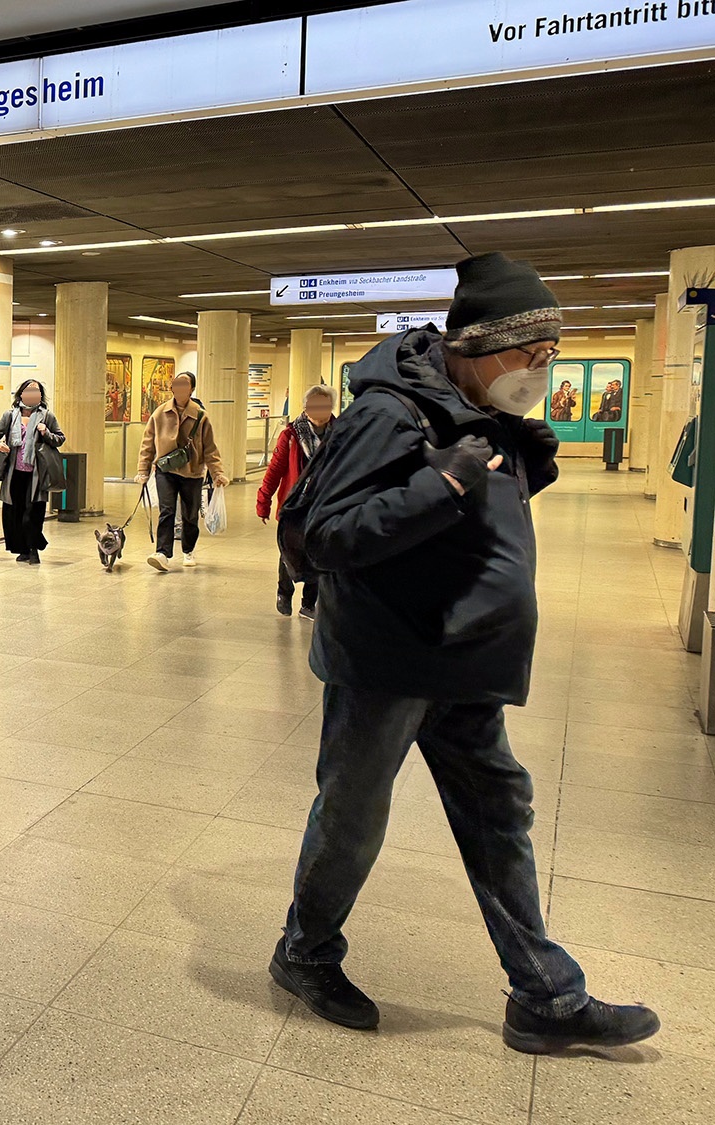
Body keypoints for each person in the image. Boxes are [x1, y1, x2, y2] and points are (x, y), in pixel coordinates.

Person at [270, 252, 660, 1054]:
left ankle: (546, 994)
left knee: (498, 814)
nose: (542, 371)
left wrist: (522, 471)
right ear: (479, 347)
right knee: (352, 816)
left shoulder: (476, 408)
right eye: (532, 354)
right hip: (387, 662)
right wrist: (440, 484)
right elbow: (326, 536)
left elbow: (460, 526)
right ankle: (304, 952)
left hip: (464, 660)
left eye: (552, 355)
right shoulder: (388, 414)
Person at [257, 384, 338, 618]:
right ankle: (284, 592)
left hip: (323, 505)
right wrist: (263, 501)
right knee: (289, 551)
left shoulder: (340, 433)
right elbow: (274, 470)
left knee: (317, 552)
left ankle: (309, 603)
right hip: (295, 506)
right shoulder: (291, 435)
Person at [136, 371, 228, 571]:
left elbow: (210, 448)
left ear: (191, 389)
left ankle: (188, 550)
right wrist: (143, 471)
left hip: (192, 472)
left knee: (190, 514)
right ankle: (162, 552)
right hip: (165, 470)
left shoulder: (201, 416)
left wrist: (217, 473)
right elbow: (147, 444)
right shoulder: (160, 413)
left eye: (184, 384)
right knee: (167, 510)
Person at [0, 379, 65, 565]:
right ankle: (22, 549)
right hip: (14, 473)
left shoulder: (46, 416)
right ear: (21, 394)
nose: (32, 394)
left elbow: (60, 439)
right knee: (14, 514)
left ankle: (33, 550)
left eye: (36, 391)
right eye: (28, 390)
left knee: (32, 514)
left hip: (36, 474)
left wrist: (46, 433)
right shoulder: (10, 415)